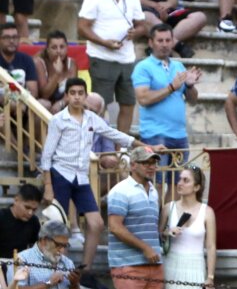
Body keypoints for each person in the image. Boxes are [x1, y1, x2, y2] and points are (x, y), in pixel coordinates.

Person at [40, 78, 159, 276]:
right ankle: (55, 271)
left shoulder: (92, 119)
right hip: (61, 173)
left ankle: (83, 273)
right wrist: (48, 184)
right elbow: (47, 154)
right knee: (58, 225)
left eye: (80, 93)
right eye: (73, 93)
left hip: (81, 176)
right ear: (67, 95)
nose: (77, 97)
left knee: (97, 224)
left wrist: (147, 147)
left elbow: (115, 134)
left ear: (85, 95)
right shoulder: (58, 120)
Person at [108, 145, 167, 289]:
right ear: (133, 165)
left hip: (152, 264)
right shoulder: (120, 191)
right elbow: (115, 227)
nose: (151, 167)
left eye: (154, 163)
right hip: (128, 264)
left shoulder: (153, 191)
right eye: (146, 163)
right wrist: (145, 247)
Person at [133, 24, 202, 168]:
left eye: (168, 40)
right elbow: (143, 99)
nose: (164, 44)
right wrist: (171, 88)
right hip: (155, 135)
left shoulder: (178, 66)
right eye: (160, 40)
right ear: (150, 43)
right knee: (157, 183)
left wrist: (190, 86)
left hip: (180, 135)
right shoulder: (143, 67)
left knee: (179, 186)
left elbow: (193, 100)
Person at [160, 165, 215, 289]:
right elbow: (157, 236)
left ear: (196, 187)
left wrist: (210, 277)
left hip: (196, 268)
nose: (180, 183)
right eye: (179, 179)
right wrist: (168, 232)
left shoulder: (207, 211)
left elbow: (211, 246)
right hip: (173, 266)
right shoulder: (169, 208)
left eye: (186, 180)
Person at [78, 0, 146, 133]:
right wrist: (104, 42)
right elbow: (82, 27)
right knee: (99, 105)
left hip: (127, 58)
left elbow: (142, 25)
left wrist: (136, 32)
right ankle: (100, 147)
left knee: (128, 103)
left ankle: (121, 149)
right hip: (101, 57)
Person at [138, 0, 206, 57]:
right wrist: (156, 6)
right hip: (147, 11)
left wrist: (168, 4)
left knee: (200, 17)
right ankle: (178, 46)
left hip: (169, 13)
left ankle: (161, 45)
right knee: (143, 16)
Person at [33, 31, 79, 112]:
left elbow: (74, 90)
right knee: (46, 104)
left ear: (67, 47)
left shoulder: (71, 63)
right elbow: (44, 95)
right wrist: (57, 74)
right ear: (47, 49)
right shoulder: (39, 63)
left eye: (62, 47)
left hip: (64, 103)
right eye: (54, 47)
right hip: (45, 106)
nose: (58, 51)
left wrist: (62, 102)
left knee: (91, 101)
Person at [0, 183, 42, 264]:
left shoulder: (34, 221)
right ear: (16, 200)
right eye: (27, 207)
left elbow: (34, 247)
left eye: (34, 210)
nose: (30, 213)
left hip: (21, 264)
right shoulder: (1, 217)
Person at [0, 20, 38, 98]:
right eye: (7, 37)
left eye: (15, 37)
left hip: (22, 103)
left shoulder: (27, 60)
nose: (11, 41)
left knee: (44, 103)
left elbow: (33, 92)